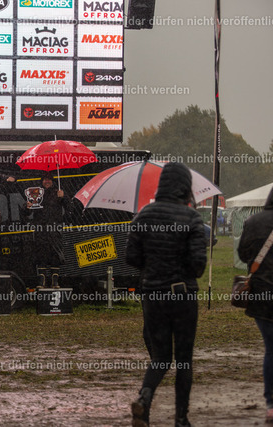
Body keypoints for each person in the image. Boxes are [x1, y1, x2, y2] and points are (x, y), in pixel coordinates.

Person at [125, 162, 207, 427]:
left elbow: (131, 257)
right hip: (182, 295)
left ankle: (145, 397)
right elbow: (198, 266)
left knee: (160, 358)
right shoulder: (192, 218)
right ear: (185, 186)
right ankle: (181, 419)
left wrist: (154, 265)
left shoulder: (144, 215)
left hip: (152, 295)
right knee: (184, 360)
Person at [238, 187, 273, 424]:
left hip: (261, 296)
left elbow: (243, 255)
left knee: (271, 349)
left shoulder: (253, 222)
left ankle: (271, 403)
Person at [21, 171, 72, 287]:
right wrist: (27, 207)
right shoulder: (37, 192)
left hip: (55, 229)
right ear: (42, 181)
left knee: (55, 255)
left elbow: (70, 208)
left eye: (49, 179)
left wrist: (63, 197)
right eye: (45, 179)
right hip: (40, 229)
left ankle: (55, 282)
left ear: (52, 181)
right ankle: (41, 282)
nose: (47, 181)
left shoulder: (58, 192)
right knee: (41, 255)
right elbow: (26, 213)